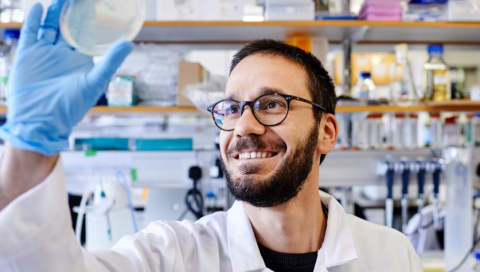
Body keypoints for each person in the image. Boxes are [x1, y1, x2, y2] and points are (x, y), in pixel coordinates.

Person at [0, 0, 422, 271]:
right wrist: (29, 148)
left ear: (326, 131)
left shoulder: (390, 254)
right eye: (232, 108)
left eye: (271, 103)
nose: (243, 127)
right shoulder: (171, 255)